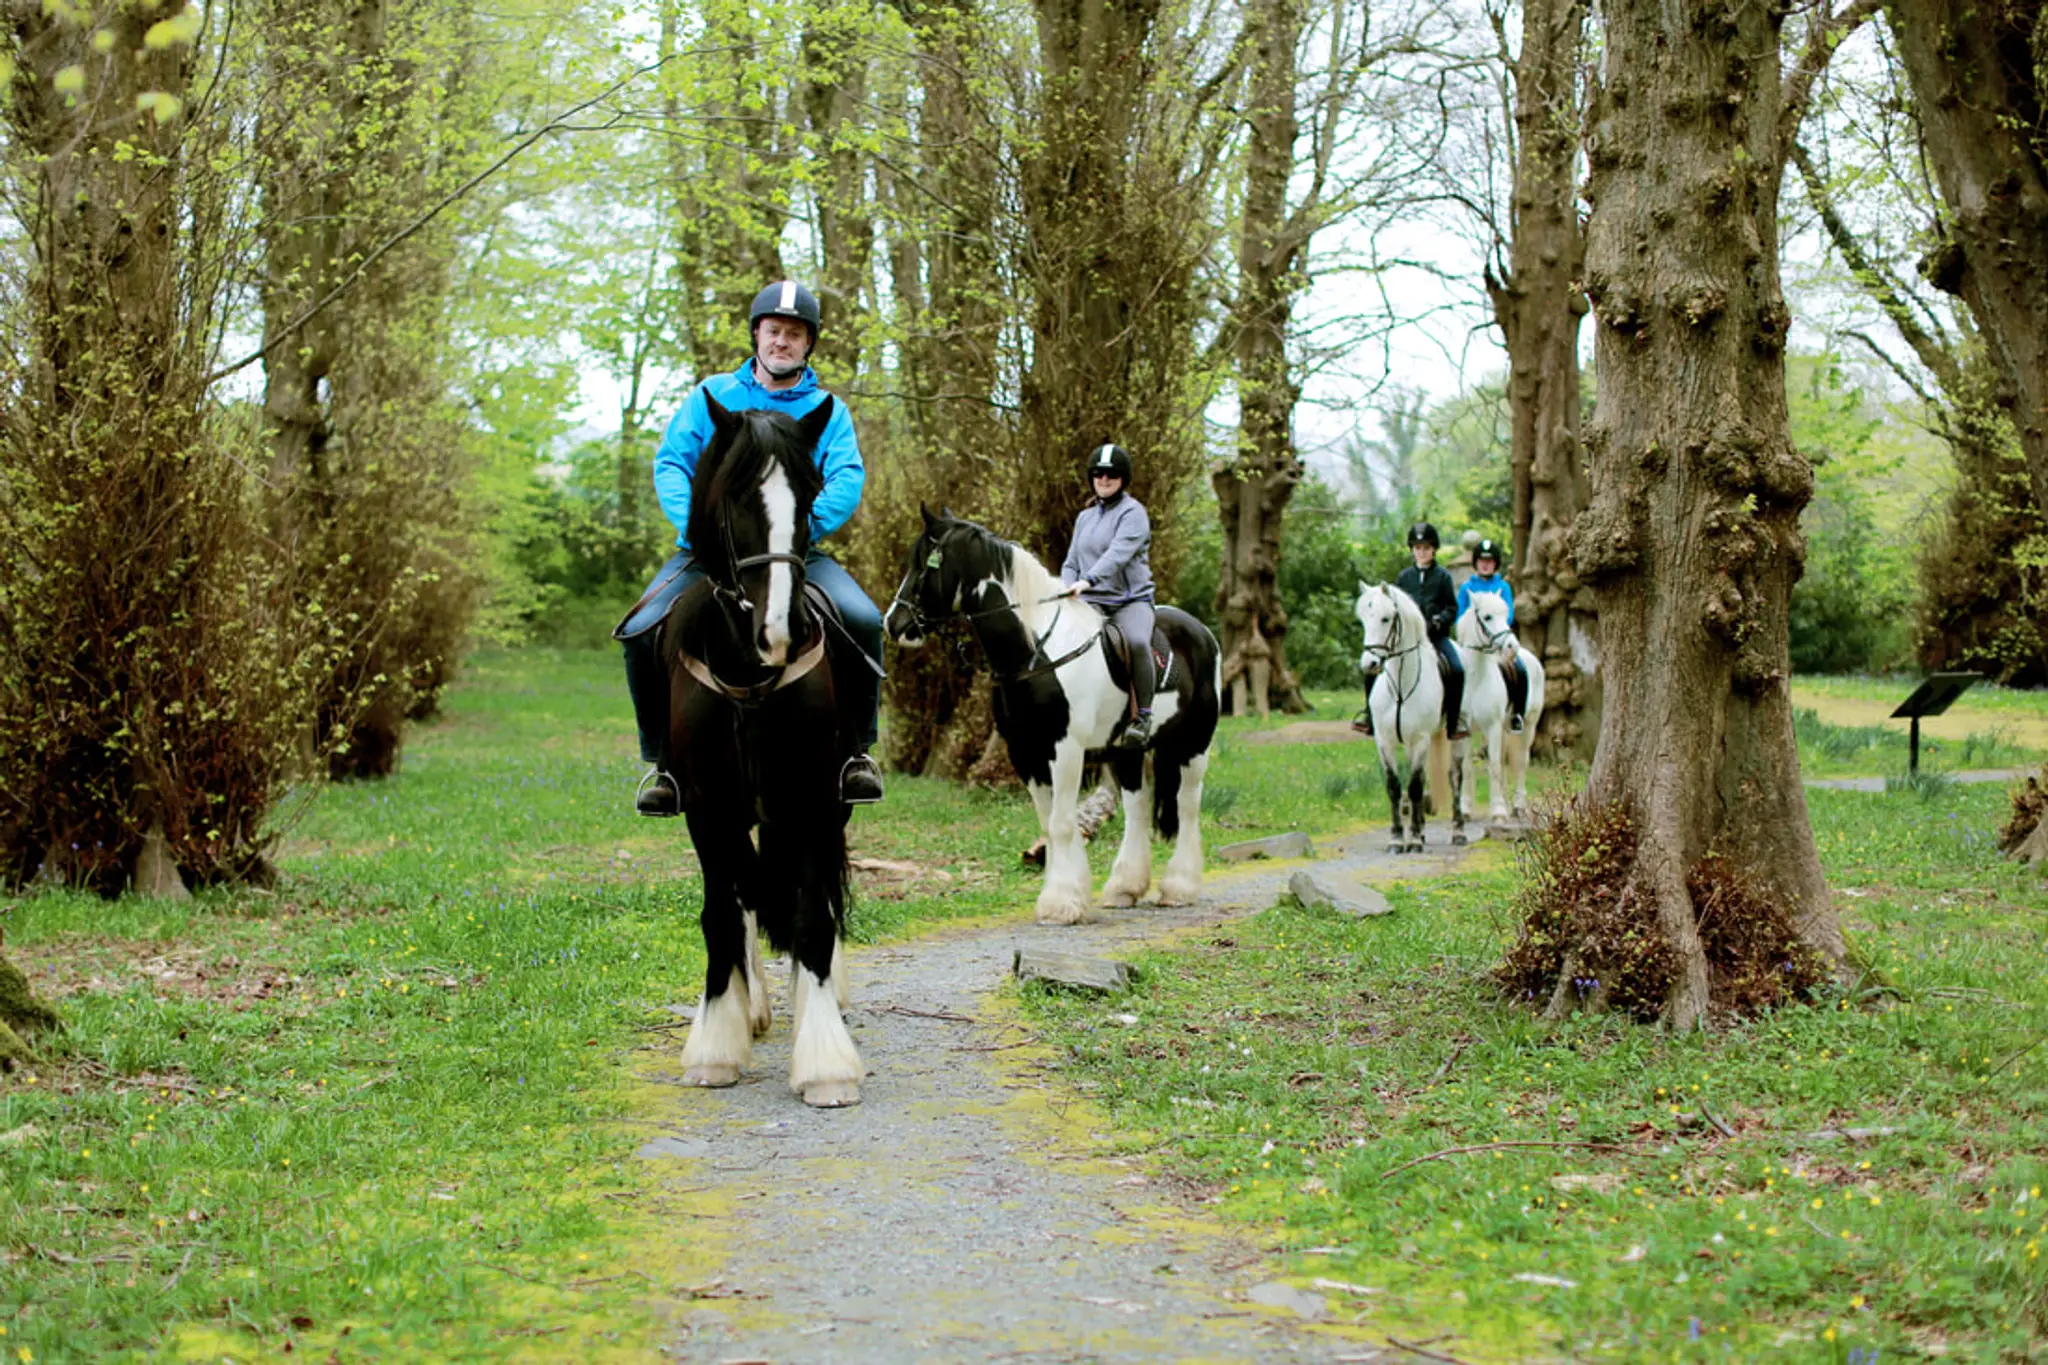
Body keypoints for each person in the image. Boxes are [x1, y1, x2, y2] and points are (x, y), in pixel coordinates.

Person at [614, 280, 886, 814]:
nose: (782, 341)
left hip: (793, 554)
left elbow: (846, 478)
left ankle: (856, 754)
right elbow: (672, 463)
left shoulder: (828, 410)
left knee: (864, 620)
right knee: (641, 630)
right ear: (756, 335)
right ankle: (662, 764)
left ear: (808, 344)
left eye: (794, 333)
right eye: (773, 331)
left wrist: (799, 529)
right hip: (708, 553)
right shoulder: (712, 396)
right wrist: (696, 529)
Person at [1061, 443, 1157, 748]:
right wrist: (1067, 586)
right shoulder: (1084, 518)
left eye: (1111, 475)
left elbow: (1117, 555)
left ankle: (1142, 716)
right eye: (1098, 474)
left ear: (1123, 479)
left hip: (1129, 601)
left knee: (1138, 642)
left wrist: (1087, 580)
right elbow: (1071, 561)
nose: (1104, 479)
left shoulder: (1134, 514)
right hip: (1090, 599)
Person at [1352, 521, 1467, 740]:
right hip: (1407, 640)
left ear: (1434, 549)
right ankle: (1369, 716)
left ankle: (1454, 722)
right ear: (1412, 550)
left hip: (1435, 637)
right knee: (1372, 667)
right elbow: (1393, 609)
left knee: (1457, 668)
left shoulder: (1443, 577)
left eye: (1426, 548)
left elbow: (1452, 608)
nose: (1421, 552)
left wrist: (1439, 620)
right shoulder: (1404, 578)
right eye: (1417, 548)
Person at [1457, 536, 1527, 733]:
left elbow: (1509, 613)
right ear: (1476, 564)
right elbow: (1460, 615)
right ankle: (1454, 715)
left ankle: (1516, 715)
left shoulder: (1503, 587)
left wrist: (1498, 635)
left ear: (1495, 564)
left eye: (1489, 562)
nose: (1485, 565)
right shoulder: (1466, 588)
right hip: (1473, 644)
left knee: (1520, 670)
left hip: (1497, 642)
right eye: (1481, 561)